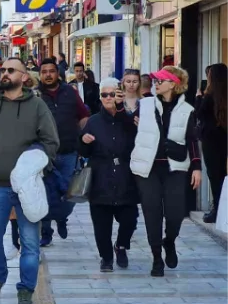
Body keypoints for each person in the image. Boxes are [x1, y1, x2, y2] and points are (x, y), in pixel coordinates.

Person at [0, 57, 60, 304]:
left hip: (28, 186)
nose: (4, 74)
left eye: (10, 70)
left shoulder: (38, 106)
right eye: (2, 70)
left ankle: (26, 288)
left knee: (30, 241)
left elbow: (51, 142)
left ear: (24, 77)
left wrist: (36, 162)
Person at [131, 67, 202, 277]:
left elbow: (192, 140)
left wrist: (196, 167)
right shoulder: (143, 105)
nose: (156, 83)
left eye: (161, 80)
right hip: (148, 168)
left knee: (175, 214)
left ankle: (169, 241)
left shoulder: (187, 110)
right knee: (152, 213)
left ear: (173, 83)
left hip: (176, 168)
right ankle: (156, 258)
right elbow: (127, 125)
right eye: (155, 80)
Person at [80, 78, 139, 272]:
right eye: (104, 95)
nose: (108, 98)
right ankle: (106, 258)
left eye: (112, 94)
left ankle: (121, 246)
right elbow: (83, 152)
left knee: (130, 219)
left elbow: (135, 136)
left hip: (126, 177)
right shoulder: (93, 121)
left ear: (119, 95)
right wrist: (84, 142)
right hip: (100, 179)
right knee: (102, 226)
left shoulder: (129, 119)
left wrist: (124, 112)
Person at [37, 58, 89, 247]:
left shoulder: (70, 92)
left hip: (69, 152)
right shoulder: (35, 96)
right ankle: (46, 231)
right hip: (43, 154)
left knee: (68, 193)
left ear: (58, 73)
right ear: (40, 74)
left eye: (52, 71)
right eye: (44, 72)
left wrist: (84, 138)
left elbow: (83, 116)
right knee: (43, 193)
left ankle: (61, 217)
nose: (48, 75)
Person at [196, 63, 228, 223]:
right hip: (223, 137)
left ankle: (218, 210)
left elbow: (199, 114)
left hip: (211, 140)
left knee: (216, 175)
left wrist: (198, 97)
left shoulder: (209, 96)